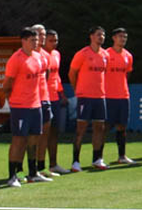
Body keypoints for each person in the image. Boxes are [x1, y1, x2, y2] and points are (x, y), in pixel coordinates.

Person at [2, 29, 49, 186]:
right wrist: (15, 101)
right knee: (18, 140)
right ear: (23, 41)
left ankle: (32, 173)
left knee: (34, 139)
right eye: (31, 40)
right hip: (20, 107)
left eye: (36, 40)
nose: (35, 43)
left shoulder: (38, 58)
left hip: (36, 105)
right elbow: (7, 85)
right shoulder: (16, 59)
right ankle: (12, 176)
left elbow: (42, 78)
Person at [69, 26, 109, 172]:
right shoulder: (82, 54)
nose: (101, 37)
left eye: (103, 35)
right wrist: (77, 89)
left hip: (100, 96)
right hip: (85, 97)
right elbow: (72, 73)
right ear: (91, 36)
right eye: (99, 35)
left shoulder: (105, 55)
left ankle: (97, 158)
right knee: (81, 130)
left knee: (100, 128)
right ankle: (75, 161)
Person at [105, 28, 135, 165]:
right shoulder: (105, 54)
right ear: (113, 38)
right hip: (108, 96)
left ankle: (121, 156)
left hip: (123, 95)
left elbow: (127, 74)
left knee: (122, 126)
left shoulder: (128, 56)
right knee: (105, 127)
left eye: (125, 37)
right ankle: (98, 157)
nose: (123, 39)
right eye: (120, 36)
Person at [42, 30, 68, 176]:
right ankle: (40, 166)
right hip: (44, 99)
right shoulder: (41, 55)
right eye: (51, 40)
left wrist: (62, 93)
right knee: (42, 134)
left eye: (56, 40)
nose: (54, 43)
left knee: (54, 132)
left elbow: (56, 76)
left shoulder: (56, 54)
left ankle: (53, 164)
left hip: (55, 98)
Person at [28, 24, 52, 178]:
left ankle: (40, 167)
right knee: (28, 137)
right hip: (30, 102)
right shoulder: (27, 55)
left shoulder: (46, 55)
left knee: (44, 134)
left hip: (45, 99)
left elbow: (47, 76)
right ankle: (23, 169)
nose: (42, 37)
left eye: (44, 34)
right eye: (39, 34)